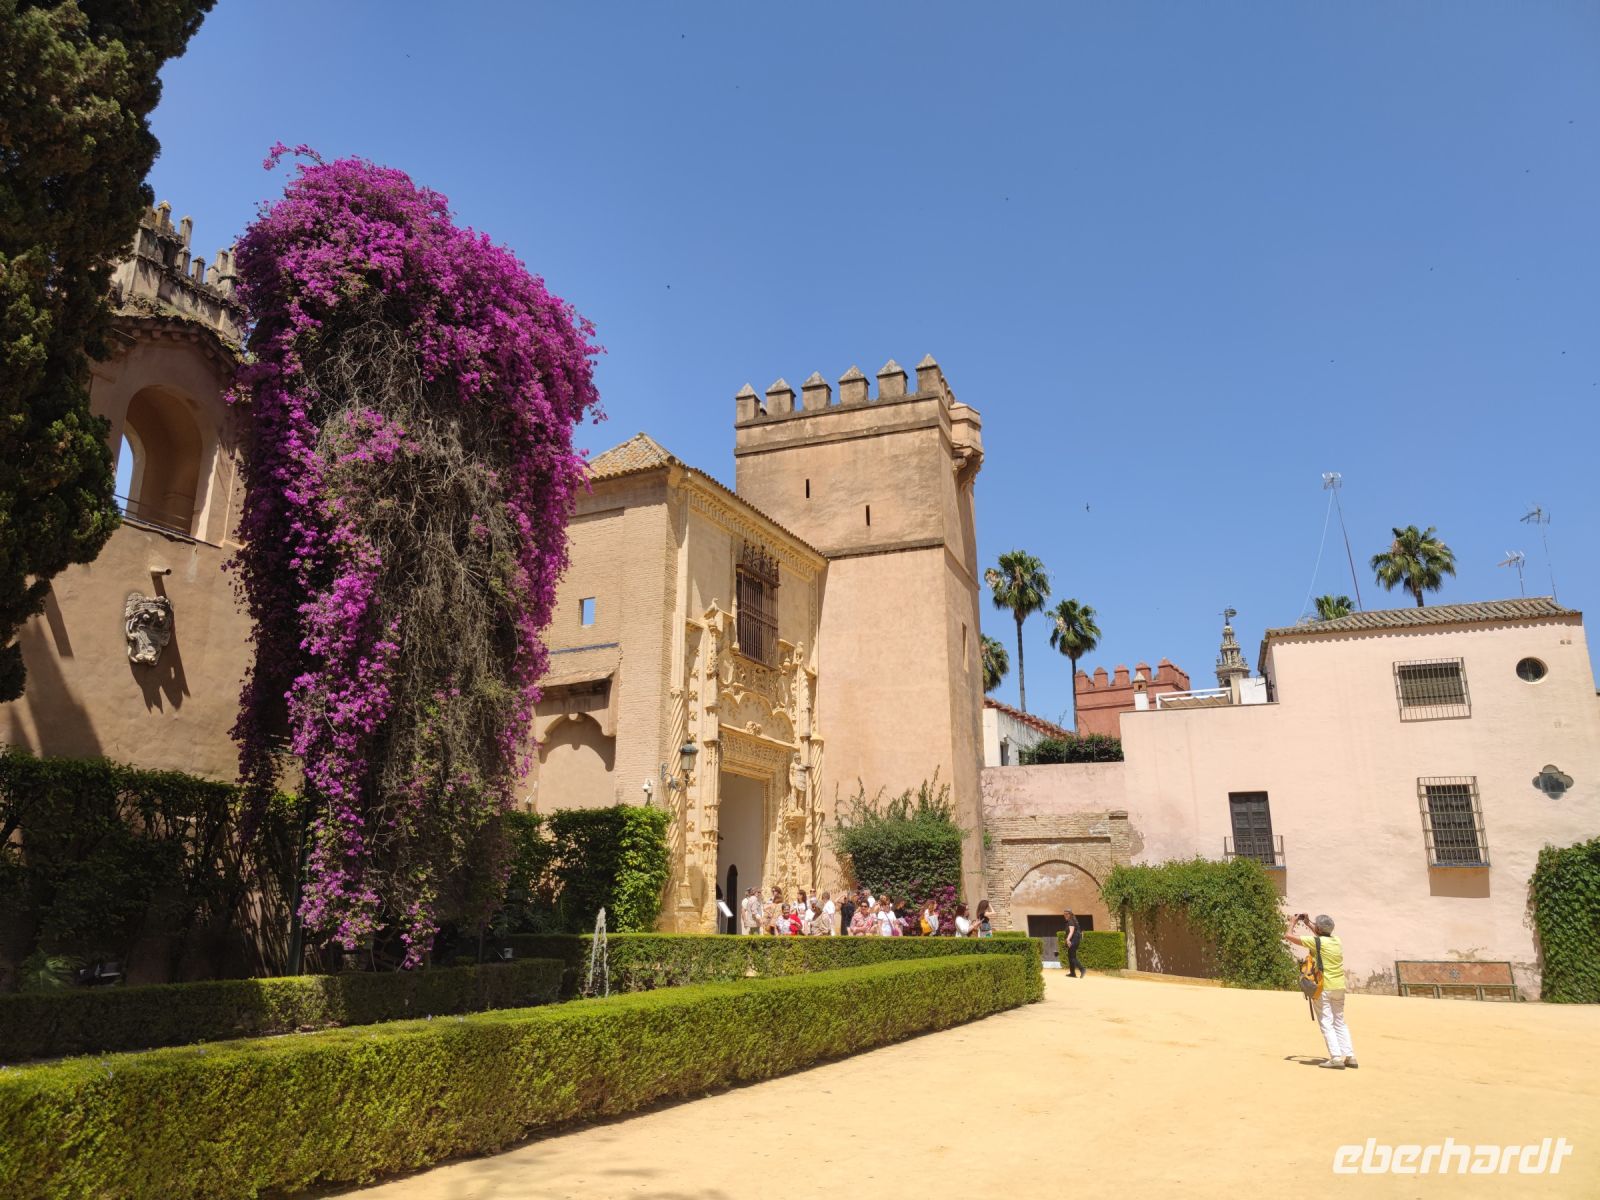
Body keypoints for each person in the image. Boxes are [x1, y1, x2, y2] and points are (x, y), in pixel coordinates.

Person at [1285, 913, 1358, 1069]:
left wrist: (1292, 922)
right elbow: (1320, 936)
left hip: (1324, 986)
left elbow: (1288, 936)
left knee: (1326, 1022)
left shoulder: (1315, 942)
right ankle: (1350, 1056)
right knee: (1339, 1021)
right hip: (1339, 986)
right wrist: (1308, 923)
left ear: (1318, 928)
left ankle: (1336, 1057)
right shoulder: (1337, 940)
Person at [1062, 909, 1084, 977]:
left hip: (1073, 941)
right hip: (1074, 940)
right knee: (1070, 956)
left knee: (1072, 957)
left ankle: (1082, 969)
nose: (1065, 915)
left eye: (1066, 914)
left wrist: (1068, 939)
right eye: (1064, 914)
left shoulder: (1071, 921)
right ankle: (1072, 973)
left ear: (1070, 914)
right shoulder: (1071, 921)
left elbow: (1071, 931)